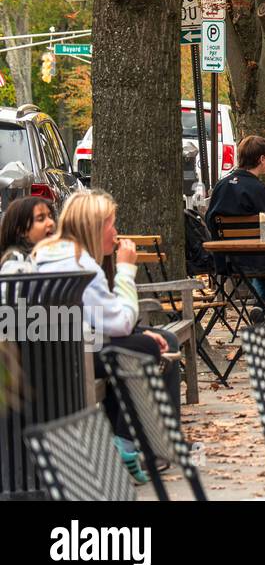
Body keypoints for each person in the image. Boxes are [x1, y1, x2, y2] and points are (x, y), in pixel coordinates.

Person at [32, 190, 180, 485]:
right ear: (95, 227)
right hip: (75, 356)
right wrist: (126, 270)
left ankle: (129, 443)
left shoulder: (47, 252)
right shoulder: (83, 265)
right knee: (146, 348)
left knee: (147, 341)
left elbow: (98, 321)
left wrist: (139, 331)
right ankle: (134, 443)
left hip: (49, 350)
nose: (116, 232)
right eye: (112, 224)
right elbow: (121, 322)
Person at [205, 135, 265, 302]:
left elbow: (210, 220)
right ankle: (262, 304)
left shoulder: (221, 185)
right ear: (261, 159)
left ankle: (262, 306)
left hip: (226, 260)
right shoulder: (259, 189)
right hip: (258, 260)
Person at [0, 195, 57, 267]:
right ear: (21, 230)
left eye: (50, 216)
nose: (51, 223)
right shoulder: (16, 259)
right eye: (40, 219)